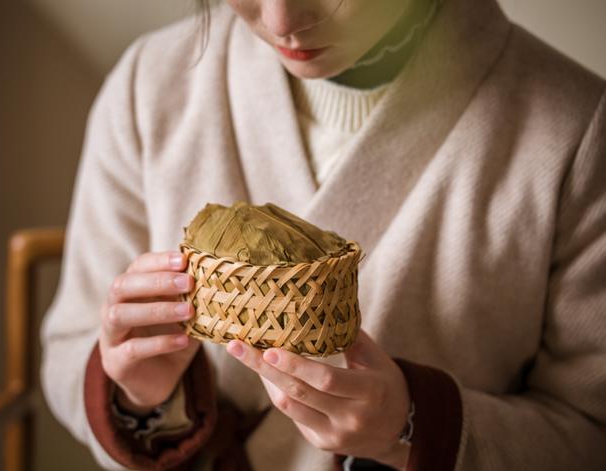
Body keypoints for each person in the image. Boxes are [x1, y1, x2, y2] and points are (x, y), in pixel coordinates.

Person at [39, 0, 606, 469]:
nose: (283, 21)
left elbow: (590, 434)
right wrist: (137, 394)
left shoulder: (574, 130)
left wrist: (413, 426)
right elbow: (69, 346)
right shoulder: (151, 85)